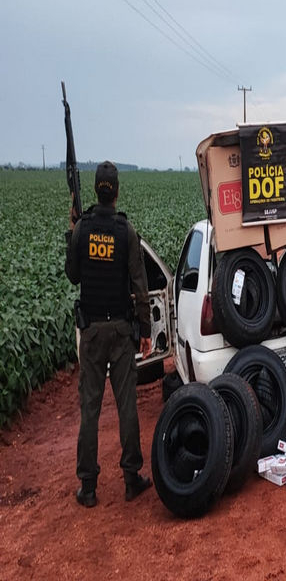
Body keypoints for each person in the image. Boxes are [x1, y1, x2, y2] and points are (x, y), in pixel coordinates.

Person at [65, 161, 152, 507]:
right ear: (115, 191)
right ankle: (132, 478)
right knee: (126, 405)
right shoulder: (125, 231)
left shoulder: (83, 230)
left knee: (90, 408)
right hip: (119, 330)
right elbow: (140, 285)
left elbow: (73, 275)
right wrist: (144, 328)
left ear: (97, 189)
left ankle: (88, 487)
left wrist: (71, 234)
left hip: (91, 333)